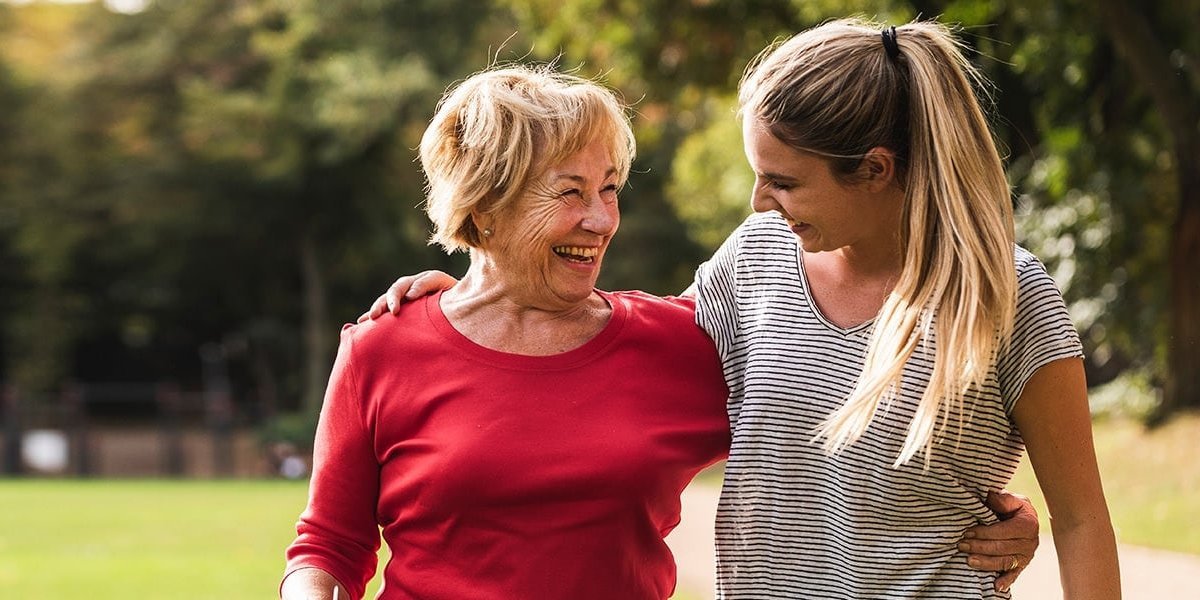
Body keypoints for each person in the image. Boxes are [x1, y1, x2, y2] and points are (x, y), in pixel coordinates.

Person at [364, 18, 1115, 600]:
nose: (760, 203)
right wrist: (484, 298)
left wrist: (1019, 528)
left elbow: (1082, 518)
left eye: (785, 182)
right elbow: (624, 346)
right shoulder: (756, 260)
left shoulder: (1007, 298)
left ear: (875, 172)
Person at [280, 64, 732, 600]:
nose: (602, 220)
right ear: (486, 202)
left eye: (609, 189)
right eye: (570, 192)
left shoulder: (681, 342)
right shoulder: (382, 348)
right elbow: (329, 546)